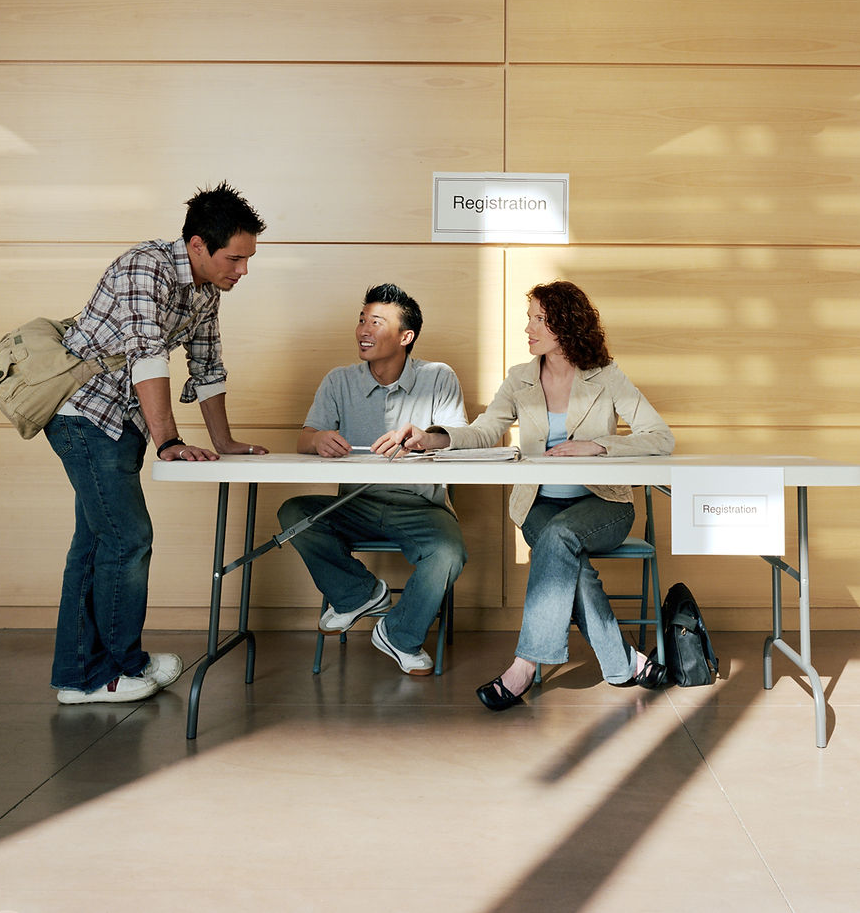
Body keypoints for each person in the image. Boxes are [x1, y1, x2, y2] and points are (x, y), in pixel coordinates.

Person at [385, 279, 674, 710]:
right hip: (539, 505)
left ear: (566, 324)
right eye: (529, 318)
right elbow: (486, 429)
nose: (529, 328)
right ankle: (623, 663)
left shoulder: (606, 377)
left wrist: (598, 446)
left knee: (559, 542)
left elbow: (660, 437)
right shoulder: (520, 378)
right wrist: (433, 439)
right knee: (566, 557)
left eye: (539, 318)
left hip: (604, 505)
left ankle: (522, 667)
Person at [46, 182, 268, 705]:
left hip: (123, 422)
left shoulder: (205, 289)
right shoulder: (144, 267)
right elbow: (146, 353)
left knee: (96, 542)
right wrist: (168, 440)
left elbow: (207, 365)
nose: (242, 270)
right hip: (84, 415)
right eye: (235, 259)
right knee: (127, 538)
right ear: (197, 246)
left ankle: (79, 676)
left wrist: (224, 440)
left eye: (247, 260)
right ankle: (118, 670)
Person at [278, 284, 468, 676]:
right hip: (354, 506)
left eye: (376, 322)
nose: (364, 329)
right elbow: (303, 438)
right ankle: (361, 594)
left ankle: (398, 635)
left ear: (405, 336)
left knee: (449, 553)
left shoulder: (439, 377)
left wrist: (424, 439)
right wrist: (317, 439)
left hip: (421, 507)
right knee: (294, 512)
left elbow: (459, 444)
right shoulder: (338, 381)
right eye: (361, 320)